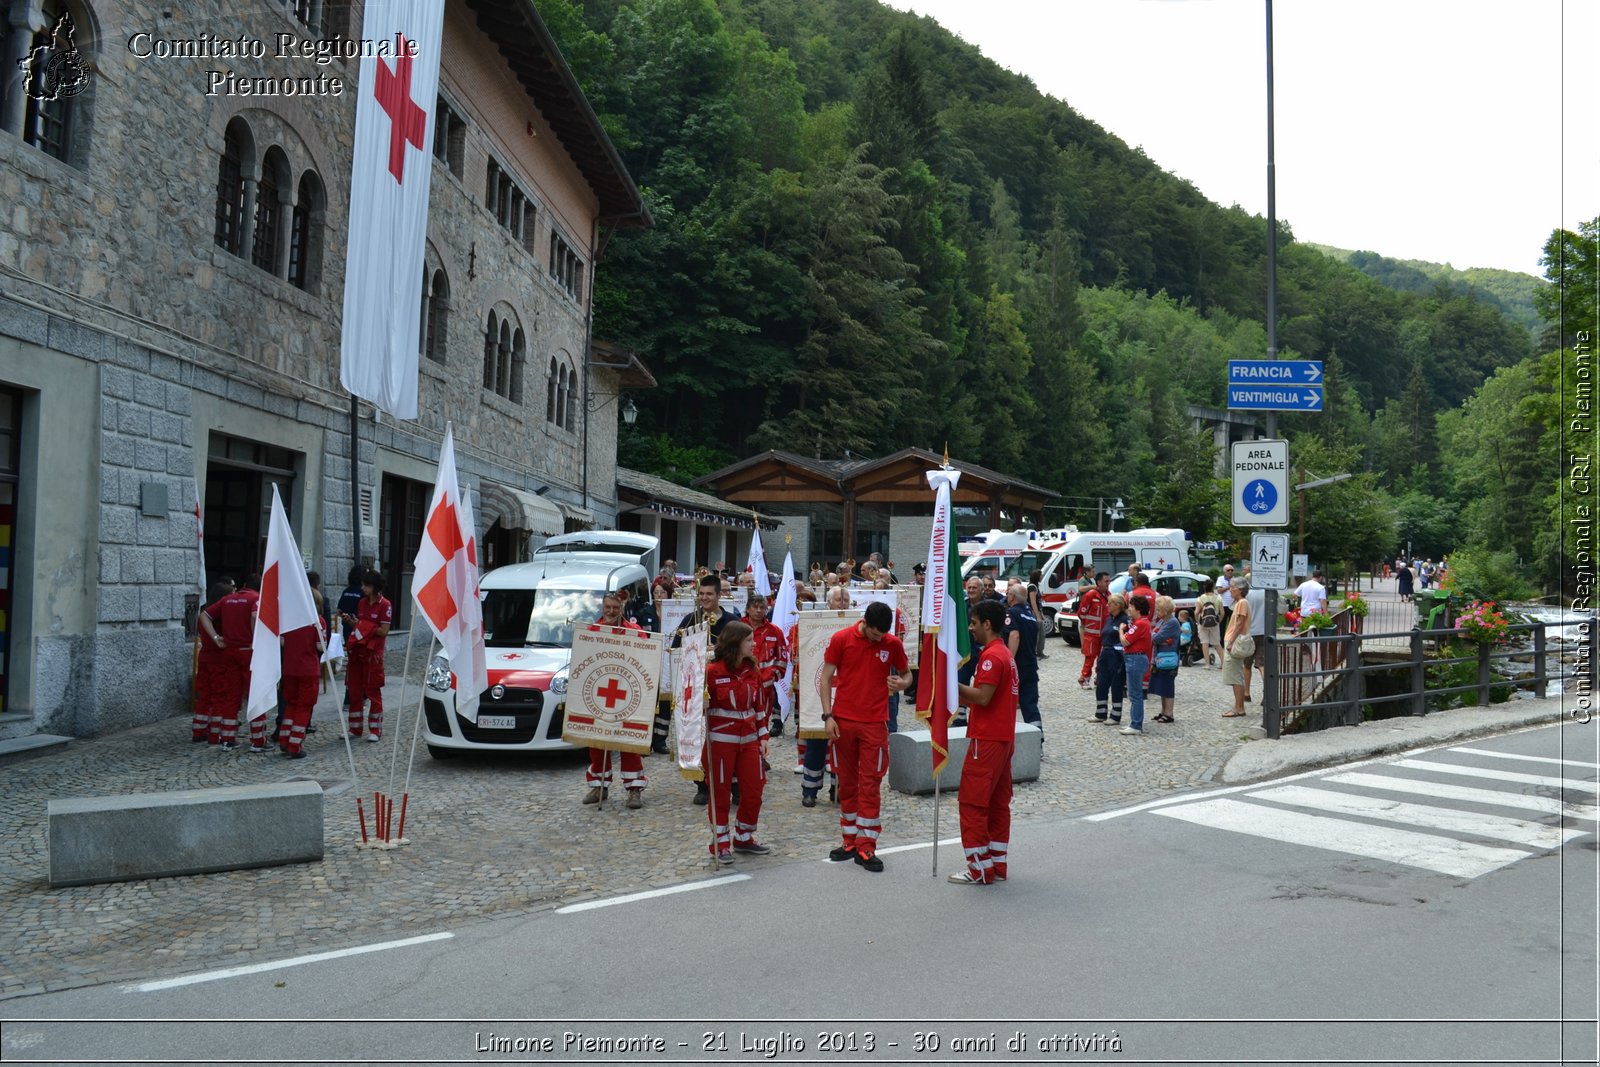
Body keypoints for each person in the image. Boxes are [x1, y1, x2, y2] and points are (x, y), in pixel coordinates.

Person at [819, 601, 911, 873]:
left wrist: (902, 684)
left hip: (875, 723)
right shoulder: (841, 639)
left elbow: (907, 675)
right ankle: (849, 840)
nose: (879, 639)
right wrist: (827, 716)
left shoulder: (891, 643)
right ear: (865, 623)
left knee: (870, 783)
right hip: (843, 721)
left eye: (882, 635)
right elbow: (825, 678)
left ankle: (867, 845)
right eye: (874, 634)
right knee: (846, 782)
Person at [950, 600, 1018, 886]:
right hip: (1002, 739)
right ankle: (996, 863)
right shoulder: (1003, 654)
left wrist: (948, 686)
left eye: (973, 623)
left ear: (987, 624)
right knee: (997, 803)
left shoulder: (992, 657)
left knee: (973, 803)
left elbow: (982, 697)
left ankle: (978, 868)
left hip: (987, 739)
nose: (970, 628)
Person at [703, 621, 776, 862]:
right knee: (721, 793)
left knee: (754, 790)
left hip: (749, 742)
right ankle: (721, 842)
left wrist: (763, 736)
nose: (754, 644)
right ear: (736, 643)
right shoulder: (712, 672)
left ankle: (744, 837)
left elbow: (758, 706)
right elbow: (695, 707)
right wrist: (700, 703)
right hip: (721, 741)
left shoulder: (751, 669)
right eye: (749, 640)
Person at [675, 574, 741, 805]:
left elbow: (743, 654)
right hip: (696, 691)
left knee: (729, 737)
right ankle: (702, 784)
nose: (704, 598)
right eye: (701, 594)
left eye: (709, 594)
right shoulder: (689, 621)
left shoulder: (732, 622)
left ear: (719, 595)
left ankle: (735, 784)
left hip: (725, 689)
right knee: (701, 736)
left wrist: (717, 652)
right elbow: (676, 651)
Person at [583, 591, 649, 808]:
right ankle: (599, 786)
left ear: (622, 607)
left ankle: (634, 788)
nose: (611, 611)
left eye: (615, 607)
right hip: (599, 691)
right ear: (602, 607)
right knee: (597, 739)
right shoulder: (593, 631)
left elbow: (646, 657)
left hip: (627, 692)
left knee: (628, 739)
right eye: (607, 607)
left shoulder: (634, 632)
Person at [799, 583, 851, 806]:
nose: (843, 603)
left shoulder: (855, 625)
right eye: (839, 600)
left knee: (843, 746)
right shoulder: (815, 623)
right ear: (829, 602)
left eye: (846, 600)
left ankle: (837, 788)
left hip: (845, 696)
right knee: (816, 746)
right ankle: (809, 790)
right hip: (818, 694)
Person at [198, 574, 260, 750]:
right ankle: (258, 740)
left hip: (229, 652)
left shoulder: (228, 599)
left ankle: (227, 739)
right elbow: (255, 617)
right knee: (254, 695)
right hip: (248, 652)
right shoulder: (256, 598)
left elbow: (204, 616)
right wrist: (257, 640)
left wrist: (216, 637)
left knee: (231, 696)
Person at [341, 569, 392, 742]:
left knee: (372, 691)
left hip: (373, 654)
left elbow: (383, 631)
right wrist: (355, 623)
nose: (363, 588)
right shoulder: (362, 603)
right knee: (354, 690)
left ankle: (375, 730)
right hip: (357, 651)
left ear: (375, 587)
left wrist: (362, 626)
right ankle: (355, 729)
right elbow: (362, 627)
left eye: (366, 585)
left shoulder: (385, 605)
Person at [192, 577, 235, 743]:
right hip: (219, 657)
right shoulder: (221, 615)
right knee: (219, 695)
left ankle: (199, 730)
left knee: (204, 695)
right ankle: (215, 732)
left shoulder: (204, 611)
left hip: (205, 656)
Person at [278, 614, 325, 759]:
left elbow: (282, 641)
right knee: (304, 707)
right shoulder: (317, 620)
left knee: (291, 704)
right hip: (308, 669)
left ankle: (284, 740)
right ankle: (295, 745)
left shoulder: (289, 618)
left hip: (289, 668)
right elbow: (320, 645)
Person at [744, 592, 789, 737]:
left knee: (762, 723)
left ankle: (759, 756)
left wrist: (772, 676)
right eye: (755, 607)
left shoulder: (774, 631)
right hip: (742, 686)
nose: (758, 611)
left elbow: (782, 659)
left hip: (765, 687)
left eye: (762, 607)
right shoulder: (738, 627)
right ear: (748, 609)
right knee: (744, 723)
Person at [1003, 584, 1041, 743]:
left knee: (1006, 705)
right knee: (1030, 706)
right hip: (1031, 665)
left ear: (1012, 597)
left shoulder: (1011, 613)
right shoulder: (1030, 615)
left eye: (1007, 593)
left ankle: (1005, 741)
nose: (1006, 595)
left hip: (1017, 665)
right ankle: (1037, 742)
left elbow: (1014, 636)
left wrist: (1009, 661)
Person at [1089, 593, 1128, 724]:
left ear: (1118, 605)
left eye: (1110, 603)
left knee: (1116, 684)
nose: (1107, 605)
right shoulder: (1109, 619)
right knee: (1101, 683)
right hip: (1105, 653)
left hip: (1117, 655)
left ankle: (1115, 716)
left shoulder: (1125, 620)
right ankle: (1100, 713)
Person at [1118, 594, 1153, 735]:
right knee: (1134, 693)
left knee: (1135, 694)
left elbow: (1125, 641)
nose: (1130, 609)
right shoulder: (1142, 623)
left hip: (1135, 659)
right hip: (1136, 659)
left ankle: (1136, 725)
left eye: (1131, 606)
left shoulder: (1140, 624)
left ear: (1138, 609)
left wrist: (1121, 630)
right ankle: (1134, 722)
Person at [1222, 578, 1253, 717]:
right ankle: (1238, 706)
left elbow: (1239, 624)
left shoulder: (1242, 603)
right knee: (1235, 675)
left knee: (1235, 676)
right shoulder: (1241, 603)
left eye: (1233, 587)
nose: (1230, 589)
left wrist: (1230, 642)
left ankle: (1239, 708)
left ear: (1240, 589)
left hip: (1233, 641)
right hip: (1233, 640)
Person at [1149, 596, 1182, 724]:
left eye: (1158, 609)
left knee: (1167, 685)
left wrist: (1154, 636)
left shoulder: (1172, 622)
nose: (1157, 612)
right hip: (1160, 657)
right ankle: (1164, 711)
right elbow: (1155, 635)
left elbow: (1155, 637)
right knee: (1162, 685)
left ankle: (1169, 713)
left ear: (1165, 609)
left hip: (1168, 659)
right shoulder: (1162, 621)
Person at [1076, 573, 1110, 688]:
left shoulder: (1108, 595)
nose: (1108, 583)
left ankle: (1098, 679)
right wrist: (1089, 626)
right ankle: (1084, 679)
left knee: (1102, 659)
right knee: (1089, 657)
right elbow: (1081, 613)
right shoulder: (1090, 595)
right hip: (1091, 633)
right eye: (1106, 581)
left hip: (1104, 634)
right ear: (1099, 582)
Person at [1195, 579, 1225, 668]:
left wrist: (1198, 622)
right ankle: (1223, 663)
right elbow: (1222, 613)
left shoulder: (1200, 598)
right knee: (1217, 643)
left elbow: (1196, 612)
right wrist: (1218, 621)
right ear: (1213, 587)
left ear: (1204, 587)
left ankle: (1207, 664)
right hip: (1214, 623)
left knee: (1205, 643)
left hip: (1203, 623)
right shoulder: (1218, 598)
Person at [1027, 568, 1049, 660]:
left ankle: (1040, 652)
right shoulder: (1032, 587)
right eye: (1040, 575)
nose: (1042, 576)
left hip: (1038, 612)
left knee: (1042, 633)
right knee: (1037, 634)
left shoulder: (1035, 586)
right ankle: (1035, 653)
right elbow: (1033, 602)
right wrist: (1037, 615)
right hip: (1033, 612)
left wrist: (1041, 613)